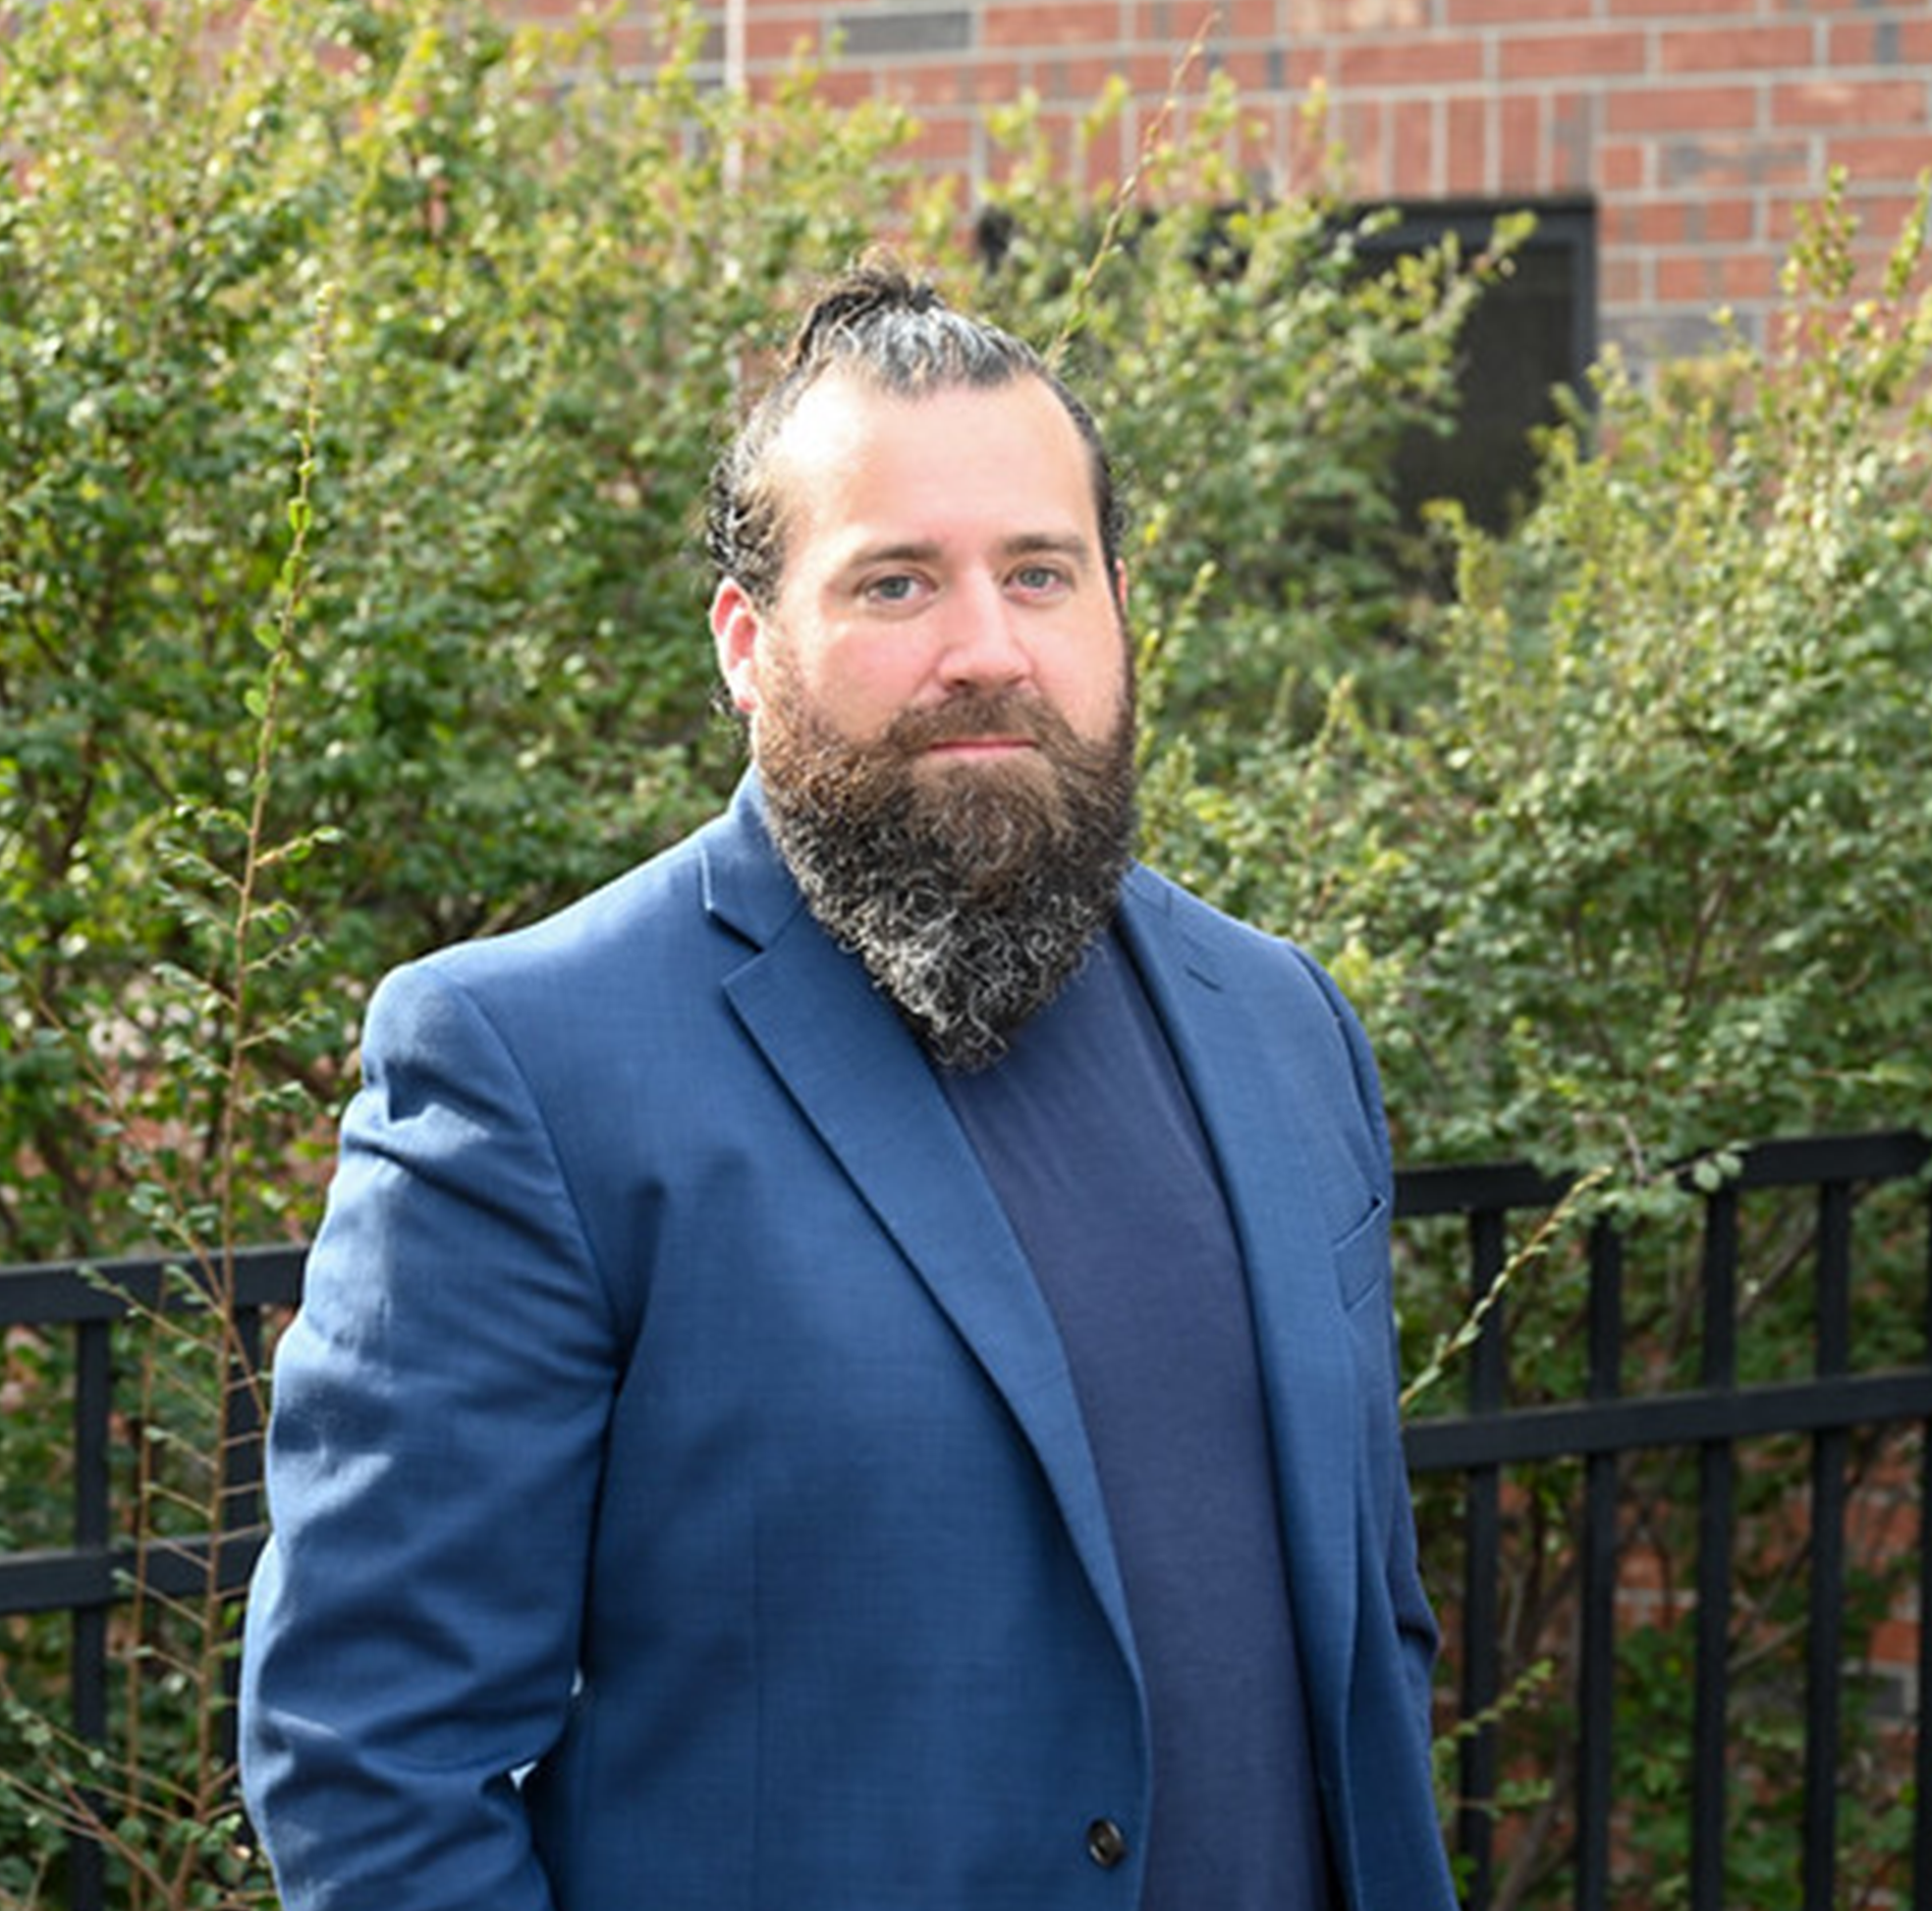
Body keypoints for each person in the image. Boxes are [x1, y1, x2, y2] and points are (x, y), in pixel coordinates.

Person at [240, 260, 1459, 1911]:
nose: (985, 648)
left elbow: (1368, 1637)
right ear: (747, 645)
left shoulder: (1285, 1024)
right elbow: (371, 1758)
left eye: (1039, 572)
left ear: (1117, 608)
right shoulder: (527, 1066)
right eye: (897, 582)